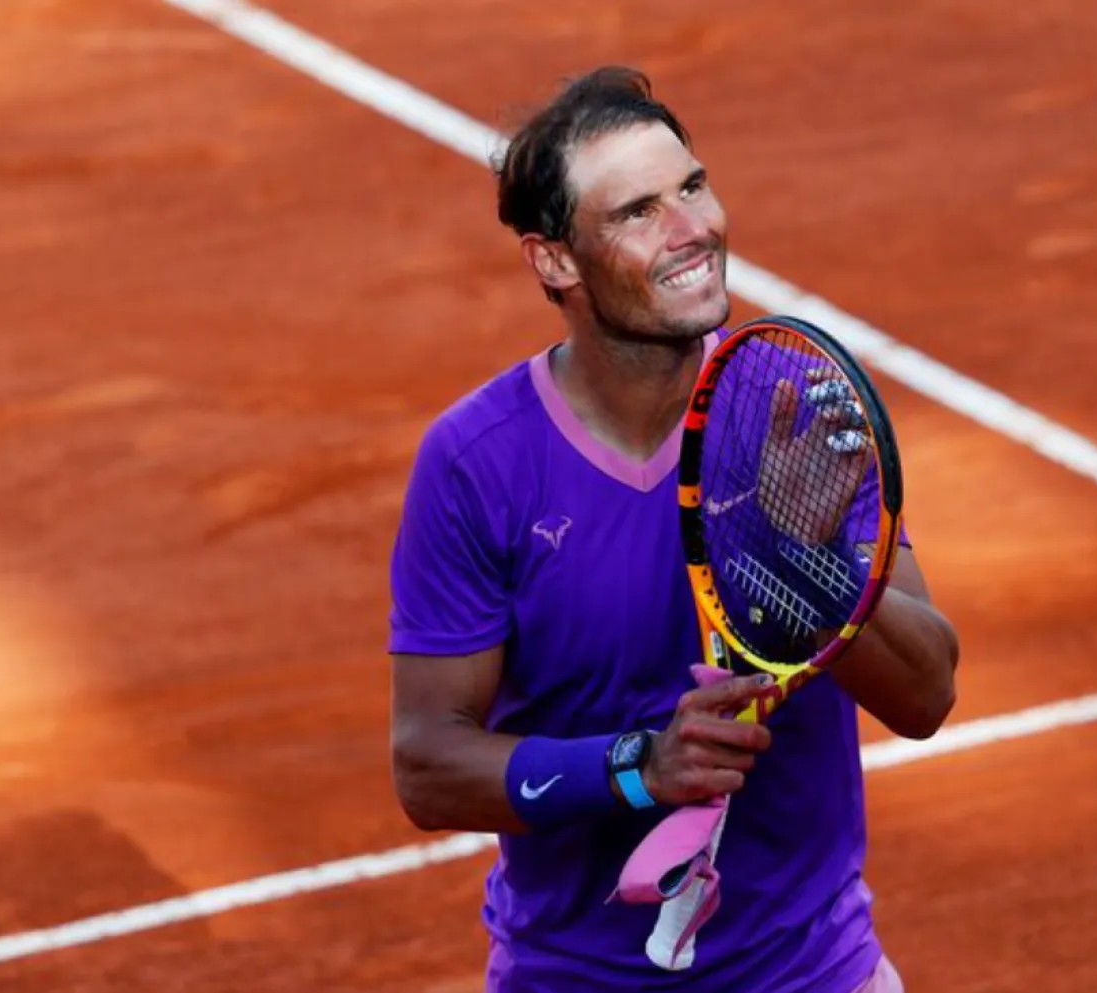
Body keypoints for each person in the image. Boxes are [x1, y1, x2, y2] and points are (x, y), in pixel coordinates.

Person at [386, 65, 959, 993]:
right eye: (638, 211)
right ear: (555, 261)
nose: (693, 230)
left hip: (815, 973)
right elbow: (428, 764)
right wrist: (640, 768)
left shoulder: (795, 409)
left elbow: (927, 695)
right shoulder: (477, 464)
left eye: (692, 187)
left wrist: (803, 563)